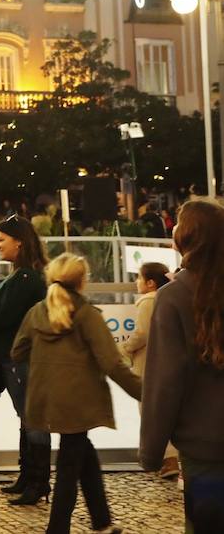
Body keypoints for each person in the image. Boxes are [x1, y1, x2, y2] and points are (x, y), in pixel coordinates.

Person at [11, 253, 140, 534]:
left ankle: (102, 522)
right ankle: (57, 529)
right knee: (69, 466)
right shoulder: (86, 315)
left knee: (83, 453)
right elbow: (112, 363)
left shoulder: (36, 312)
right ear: (82, 281)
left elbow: (17, 351)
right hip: (78, 402)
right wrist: (146, 393)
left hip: (45, 398)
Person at [141, 198, 224, 533]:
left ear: (183, 238)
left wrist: (151, 451)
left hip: (205, 450)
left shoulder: (174, 297)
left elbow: (165, 382)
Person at [0, 214, 51, 505]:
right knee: (26, 418)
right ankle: (28, 476)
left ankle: (38, 480)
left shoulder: (26, 278)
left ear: (19, 242)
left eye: (1, 240)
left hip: (23, 358)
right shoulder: (22, 275)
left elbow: (6, 316)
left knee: (33, 420)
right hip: (16, 358)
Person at [120, 262, 177, 479]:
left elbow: (142, 332)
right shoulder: (168, 297)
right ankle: (170, 458)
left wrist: (125, 348)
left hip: (147, 362)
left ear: (150, 282)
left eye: (138, 278)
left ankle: (162, 458)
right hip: (165, 359)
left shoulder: (147, 301)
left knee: (149, 410)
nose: (136, 282)